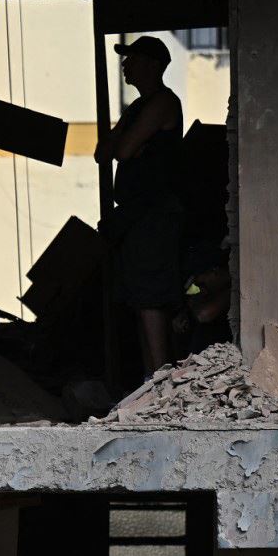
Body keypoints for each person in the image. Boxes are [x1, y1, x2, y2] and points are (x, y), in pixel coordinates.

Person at [101, 35, 186, 375]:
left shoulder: (163, 102)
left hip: (154, 216)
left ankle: (162, 383)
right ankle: (153, 381)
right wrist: (130, 145)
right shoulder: (138, 108)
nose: (125, 65)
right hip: (137, 216)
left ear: (152, 65)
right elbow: (103, 152)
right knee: (140, 300)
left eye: (132, 58)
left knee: (151, 299)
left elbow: (119, 151)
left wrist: (127, 146)